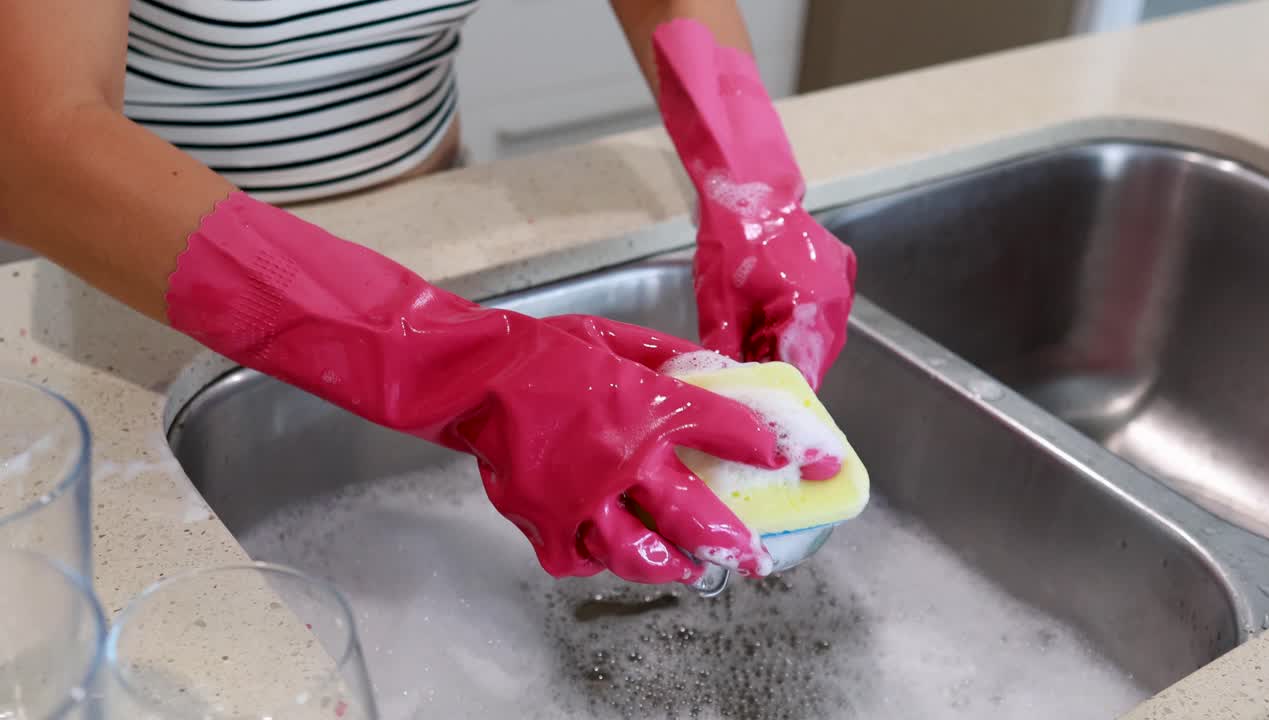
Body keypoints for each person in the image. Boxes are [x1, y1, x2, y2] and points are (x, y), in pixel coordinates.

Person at [0, 2, 857, 586]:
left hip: (434, 216)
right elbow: (33, 141)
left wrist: (751, 181)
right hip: (127, 280)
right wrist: (464, 368)